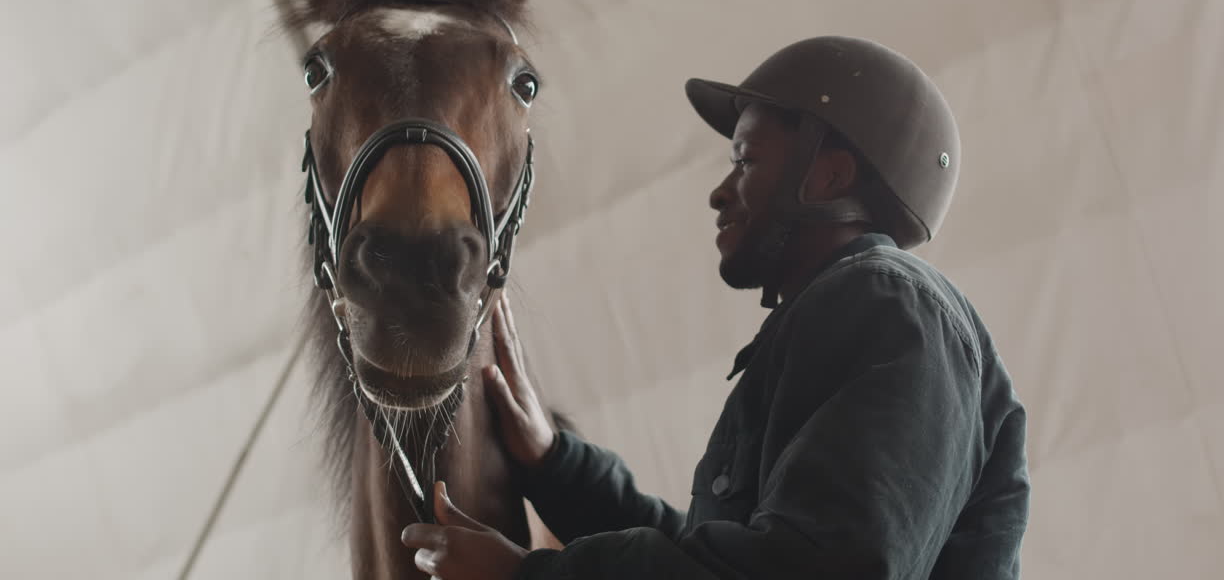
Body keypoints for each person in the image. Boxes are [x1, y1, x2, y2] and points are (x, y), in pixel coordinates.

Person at [401, 36, 1031, 579]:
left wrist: (528, 575)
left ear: (830, 178)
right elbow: (715, 560)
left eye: (745, 160)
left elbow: (815, 570)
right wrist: (556, 464)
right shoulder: (847, 316)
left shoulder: (890, 308)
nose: (719, 193)